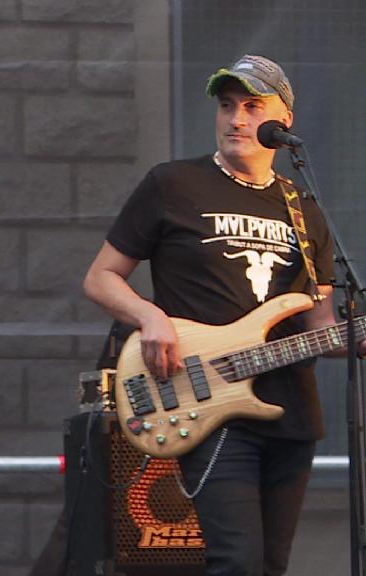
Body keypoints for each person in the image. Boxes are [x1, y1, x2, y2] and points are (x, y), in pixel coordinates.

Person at [83, 54, 364, 575]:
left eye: (253, 106)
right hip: (206, 400)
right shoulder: (172, 185)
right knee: (236, 561)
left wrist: (356, 338)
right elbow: (99, 277)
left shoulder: (305, 209)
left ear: (284, 121)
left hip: (290, 411)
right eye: (228, 105)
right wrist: (150, 317)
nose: (237, 118)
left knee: (271, 566)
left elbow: (321, 327)